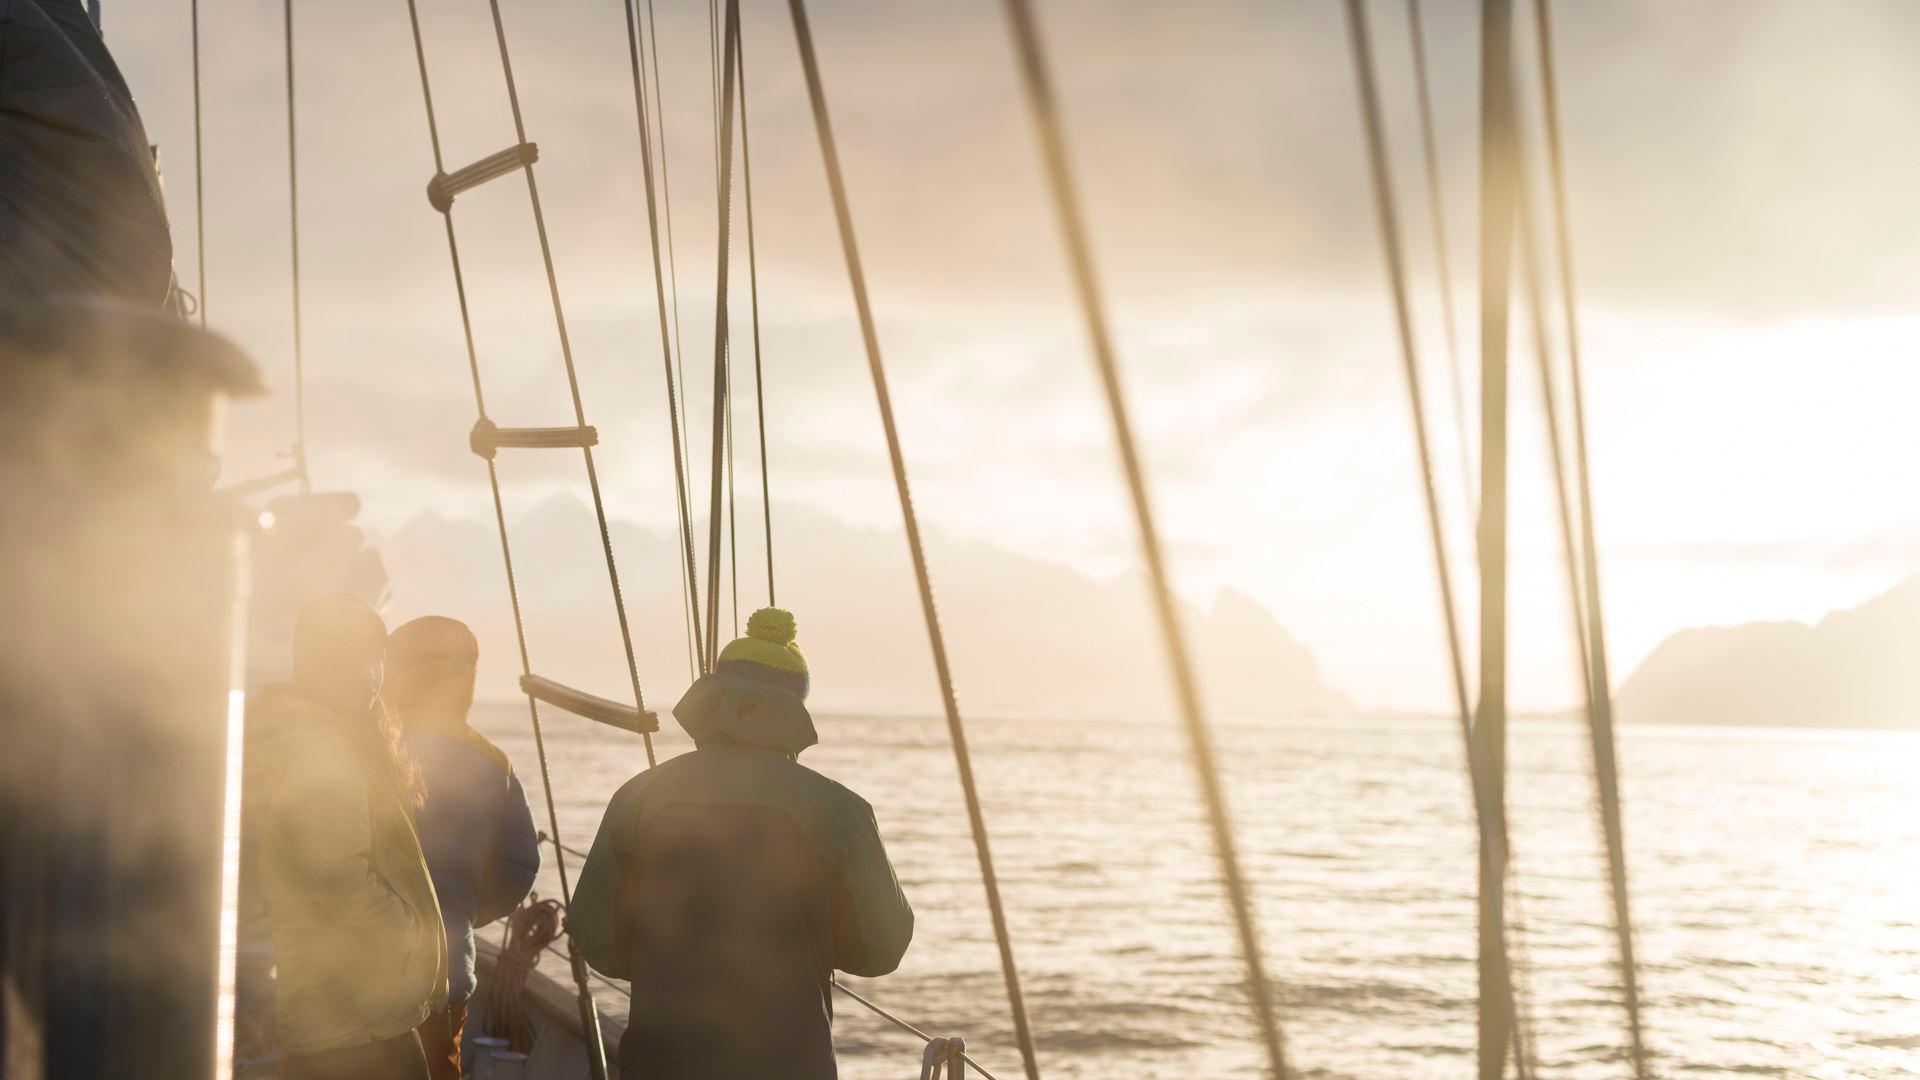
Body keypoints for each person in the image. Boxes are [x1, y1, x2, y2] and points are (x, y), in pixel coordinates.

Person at [571, 607, 914, 1080]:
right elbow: (882, 946)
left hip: (659, 1060)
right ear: (795, 705)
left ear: (713, 697)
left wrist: (672, 960)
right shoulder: (840, 809)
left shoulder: (638, 796)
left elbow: (595, 936)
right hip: (791, 1064)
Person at [244, 594, 447, 1080]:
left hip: (341, 1018)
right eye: (350, 658)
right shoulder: (324, 754)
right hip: (362, 1026)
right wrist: (410, 938)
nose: (369, 675)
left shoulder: (313, 739)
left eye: (376, 658)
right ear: (312, 662)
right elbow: (340, 879)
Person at [383, 616, 540, 1080]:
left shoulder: (364, 746)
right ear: (462, 678)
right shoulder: (491, 762)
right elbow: (519, 865)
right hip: (444, 964)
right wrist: (461, 914)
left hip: (347, 969)